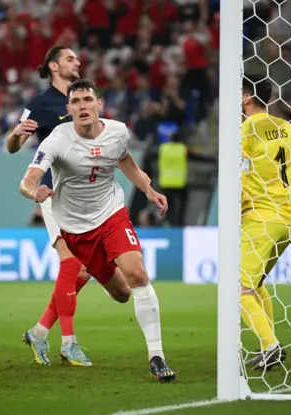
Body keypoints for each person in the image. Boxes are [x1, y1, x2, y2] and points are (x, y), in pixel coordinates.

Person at [19, 79, 176, 382]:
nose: (82, 106)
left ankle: (156, 356)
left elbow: (125, 161)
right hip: (76, 229)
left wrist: (148, 190)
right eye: (75, 102)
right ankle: (40, 331)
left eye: (87, 100)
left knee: (138, 273)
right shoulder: (56, 140)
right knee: (121, 294)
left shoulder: (117, 132)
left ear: (99, 104)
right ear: (68, 109)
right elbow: (28, 179)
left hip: (111, 214)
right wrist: (34, 192)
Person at [7, 46, 93, 367]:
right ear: (54, 66)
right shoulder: (40, 105)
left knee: (85, 269)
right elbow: (13, 147)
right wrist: (17, 134)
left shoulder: (82, 98)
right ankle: (69, 343)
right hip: (53, 195)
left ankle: (40, 332)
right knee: (71, 265)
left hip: (84, 197)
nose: (78, 62)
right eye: (71, 59)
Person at [239, 74, 291, 371]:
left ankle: (270, 345)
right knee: (255, 283)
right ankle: (266, 346)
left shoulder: (246, 129)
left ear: (247, 97)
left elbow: (239, 177)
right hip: (287, 219)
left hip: (259, 218)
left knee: (238, 287)